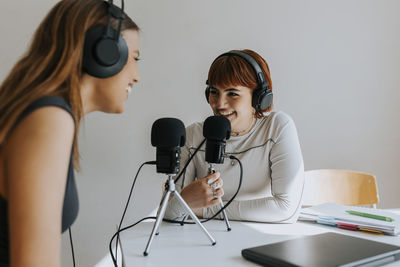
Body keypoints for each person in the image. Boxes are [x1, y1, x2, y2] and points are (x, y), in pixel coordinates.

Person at [0, 0, 140, 266]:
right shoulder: (49, 119)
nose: (137, 76)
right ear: (104, 53)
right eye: (134, 58)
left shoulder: (45, 113)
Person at [165, 49, 304, 223]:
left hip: (262, 240)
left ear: (258, 98)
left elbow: (286, 209)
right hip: (205, 241)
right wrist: (184, 201)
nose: (220, 104)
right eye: (214, 92)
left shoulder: (277, 128)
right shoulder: (194, 135)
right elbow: (169, 212)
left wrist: (203, 209)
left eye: (232, 93)